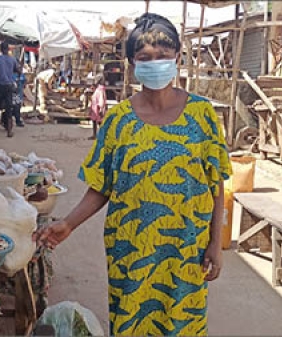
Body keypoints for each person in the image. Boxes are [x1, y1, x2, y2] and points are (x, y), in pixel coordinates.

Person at [33, 13, 232, 336]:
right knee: (132, 323)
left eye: (163, 56)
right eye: (145, 58)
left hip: (185, 249)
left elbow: (216, 183)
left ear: (177, 58)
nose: (155, 63)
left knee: (183, 325)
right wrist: (68, 223)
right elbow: (102, 186)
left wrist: (215, 243)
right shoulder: (119, 121)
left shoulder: (203, 114)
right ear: (132, 63)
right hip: (132, 248)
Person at [0, 41, 21, 137]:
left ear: (1, 49)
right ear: (8, 49)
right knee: (9, 107)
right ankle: (9, 131)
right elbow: (17, 70)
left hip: (0, 85)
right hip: (9, 85)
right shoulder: (13, 59)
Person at [88, 74, 107, 140]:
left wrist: (101, 109)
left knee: (99, 122)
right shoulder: (99, 88)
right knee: (95, 121)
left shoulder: (100, 89)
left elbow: (101, 100)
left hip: (98, 108)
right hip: (95, 107)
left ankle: (101, 136)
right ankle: (95, 135)